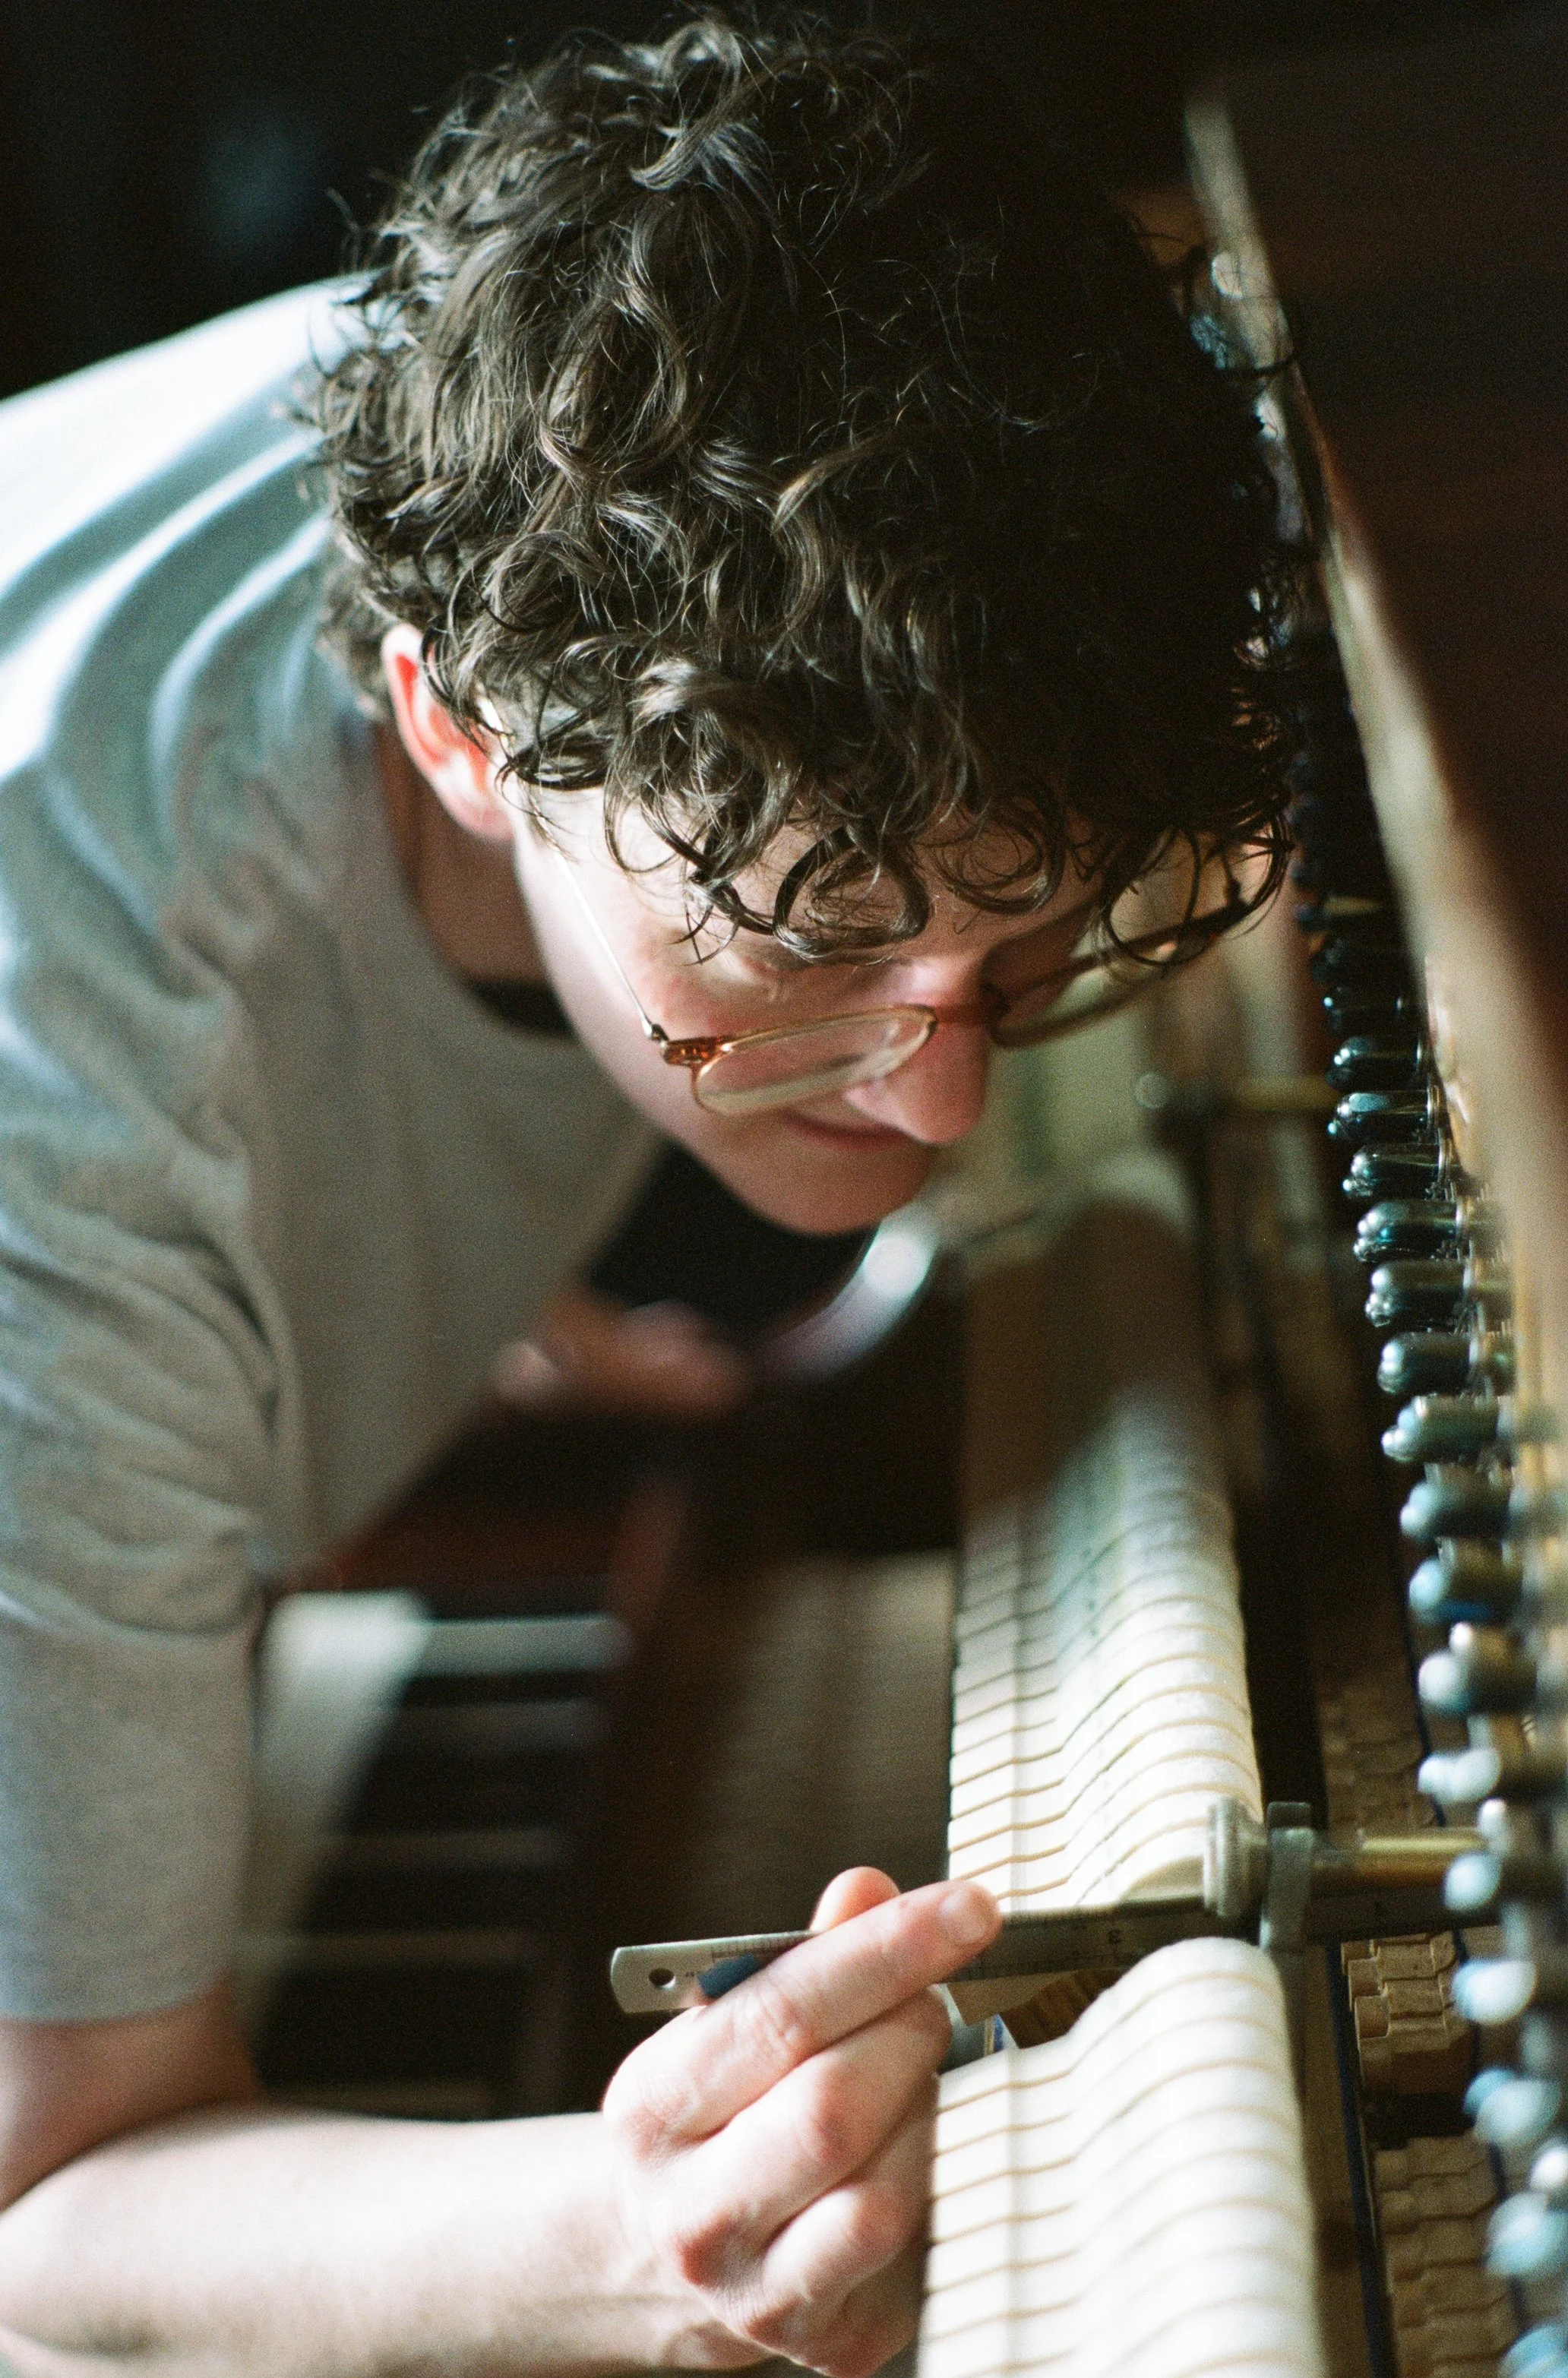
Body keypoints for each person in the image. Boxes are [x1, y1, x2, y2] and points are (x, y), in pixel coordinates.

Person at [0, 14, 1294, 2372]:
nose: (935, 1118)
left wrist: (431, 1286)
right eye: (806, 963)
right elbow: (46, 2220)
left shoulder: (623, 422)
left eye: (1026, 955)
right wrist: (650, 2236)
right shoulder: (59, 1168)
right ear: (461, 733)